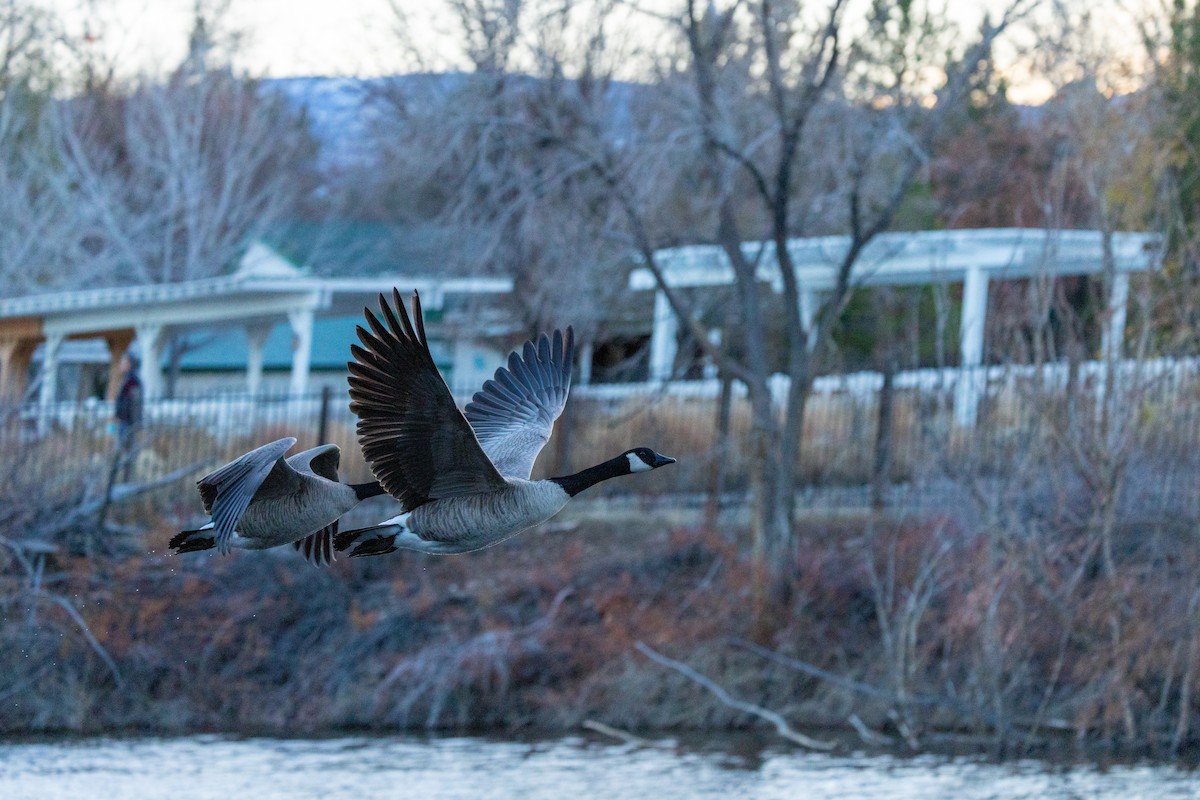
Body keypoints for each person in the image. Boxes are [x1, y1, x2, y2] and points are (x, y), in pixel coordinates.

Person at [113, 352, 143, 463]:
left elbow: (133, 403)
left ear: (129, 364)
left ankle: (125, 471)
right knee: (122, 447)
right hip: (124, 420)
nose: (121, 365)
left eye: (123, 362)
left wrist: (122, 415)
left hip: (127, 420)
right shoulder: (127, 379)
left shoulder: (132, 381)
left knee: (126, 448)